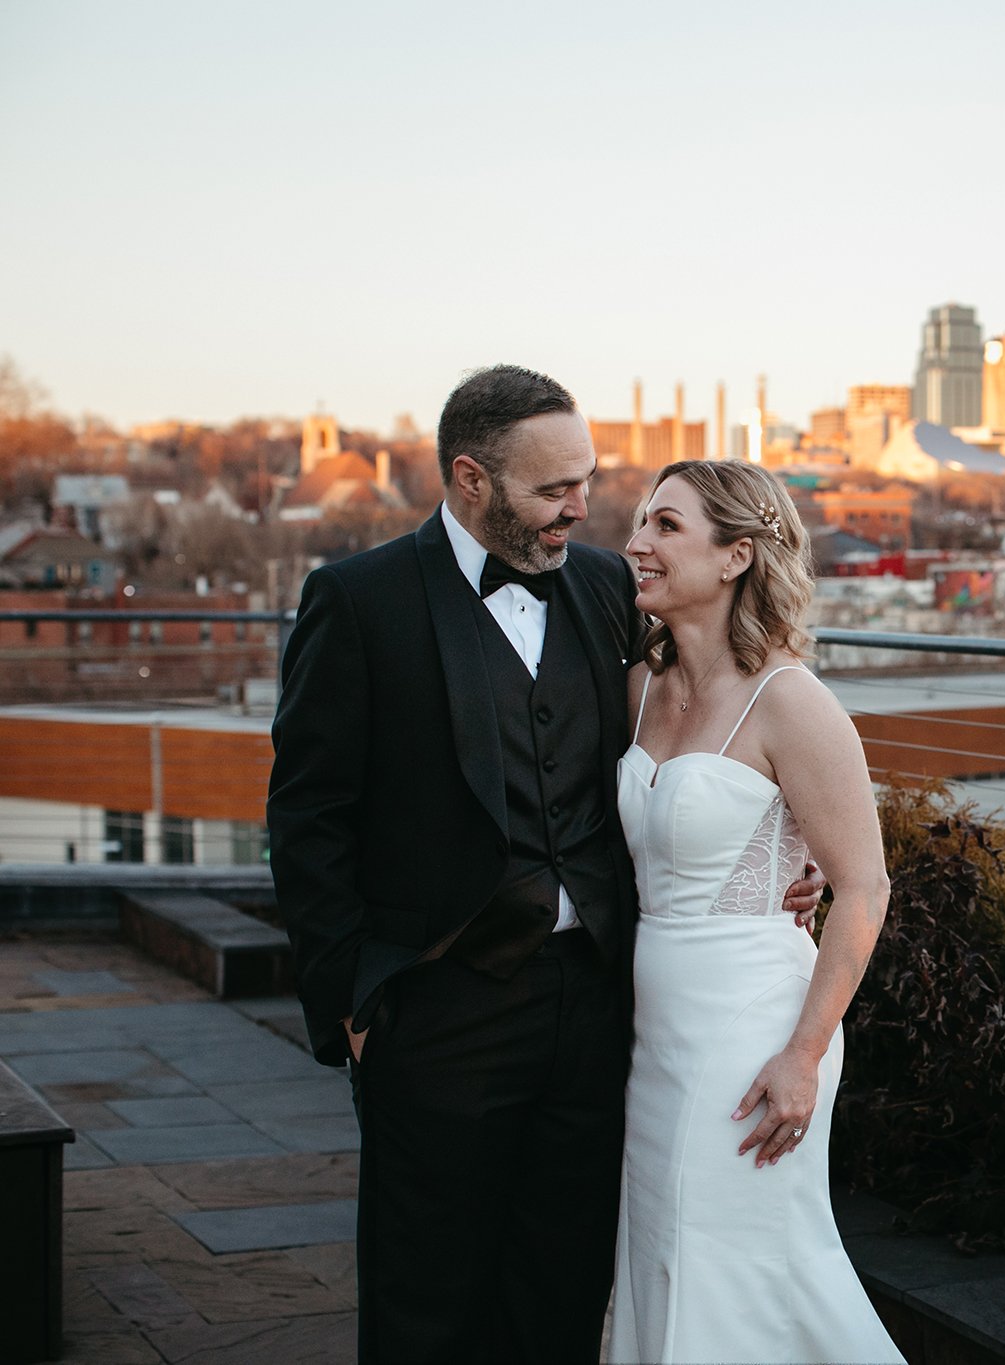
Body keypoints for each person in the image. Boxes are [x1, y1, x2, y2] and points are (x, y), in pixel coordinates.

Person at [266, 366, 822, 1364]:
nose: (583, 508)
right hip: (435, 1004)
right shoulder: (358, 601)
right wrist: (350, 998)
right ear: (472, 479)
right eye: (553, 490)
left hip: (595, 1002)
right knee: (425, 1289)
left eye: (588, 481)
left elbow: (703, 729)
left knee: (563, 1282)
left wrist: (784, 847)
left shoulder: (608, 587)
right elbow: (308, 818)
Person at [609, 459, 904, 1365]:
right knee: (661, 1255)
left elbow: (864, 885)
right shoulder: (641, 686)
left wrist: (804, 1054)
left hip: (754, 1031)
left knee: (739, 1268)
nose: (636, 544)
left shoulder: (793, 701)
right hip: (653, 1032)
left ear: (737, 554)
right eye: (640, 523)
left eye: (665, 525)